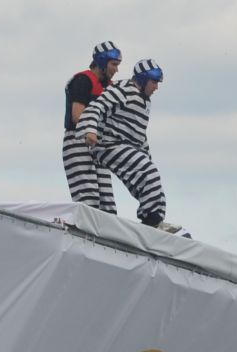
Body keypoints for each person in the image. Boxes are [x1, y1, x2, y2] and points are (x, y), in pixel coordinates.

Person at [77, 58, 179, 231]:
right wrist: (90, 130)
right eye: (154, 82)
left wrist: (147, 158)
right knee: (148, 171)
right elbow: (96, 107)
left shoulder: (145, 102)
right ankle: (150, 221)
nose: (156, 88)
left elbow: (140, 135)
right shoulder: (123, 89)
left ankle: (155, 219)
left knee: (153, 179)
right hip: (108, 144)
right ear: (142, 79)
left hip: (127, 146)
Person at [63, 41, 123, 211]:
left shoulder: (109, 88)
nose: (116, 70)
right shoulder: (83, 80)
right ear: (102, 62)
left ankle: (107, 234)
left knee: (107, 203)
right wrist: (91, 131)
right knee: (88, 198)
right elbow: (77, 116)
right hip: (78, 141)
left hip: (98, 145)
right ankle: (85, 232)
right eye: (114, 65)